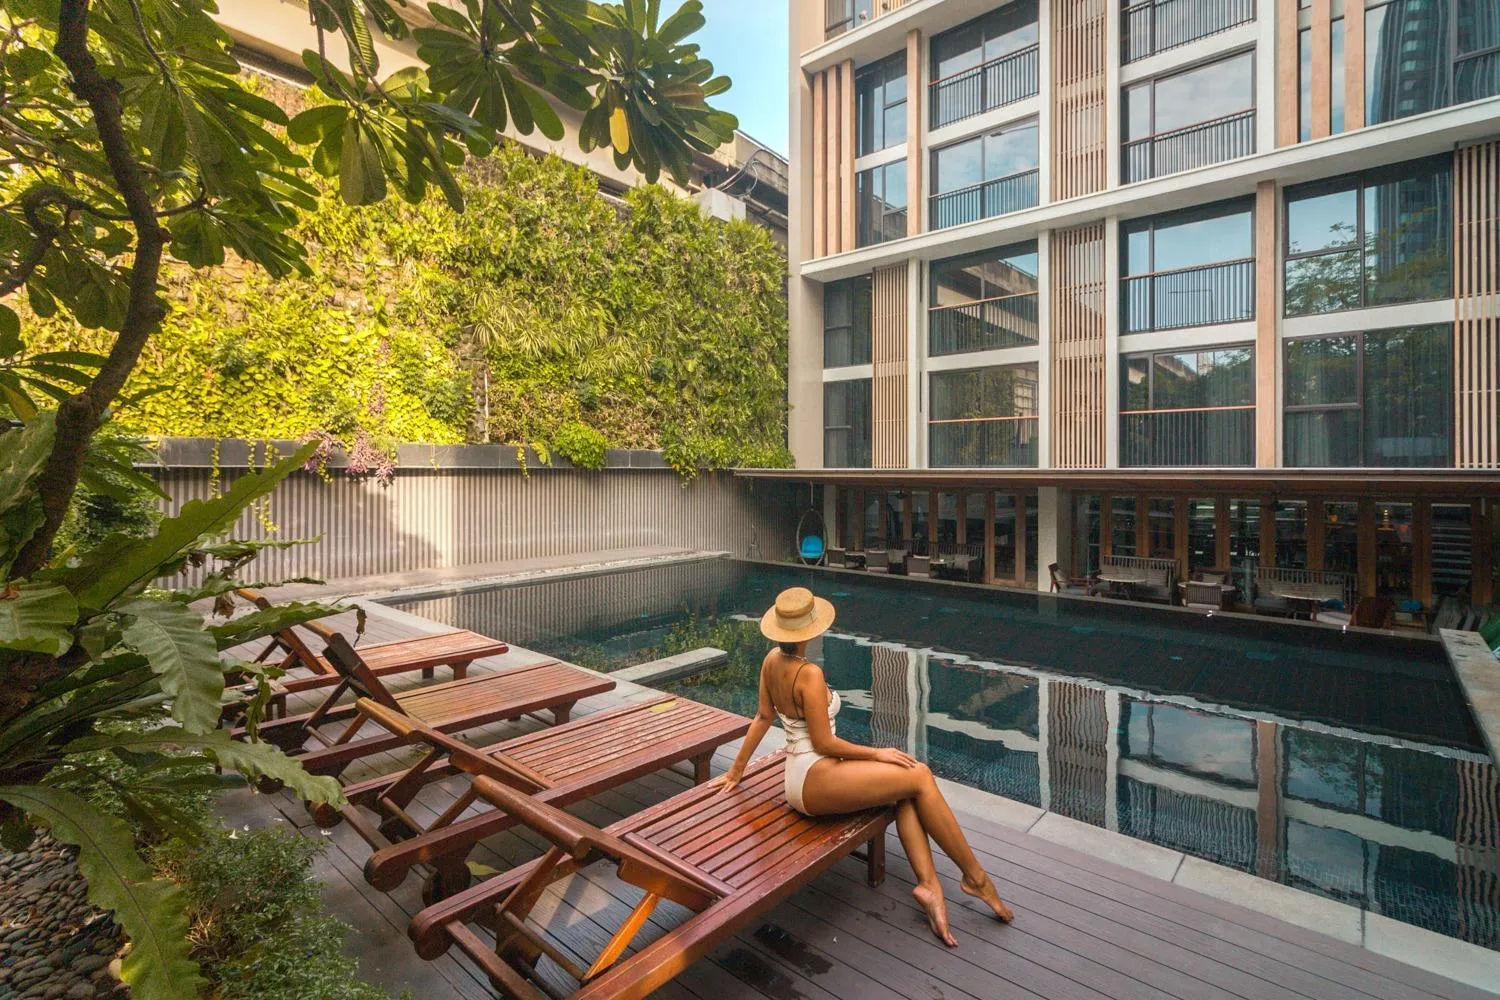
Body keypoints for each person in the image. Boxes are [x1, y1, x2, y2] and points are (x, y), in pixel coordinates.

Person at [720, 586, 1014, 947]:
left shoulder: (770, 661)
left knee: (905, 790)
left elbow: (763, 717)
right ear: (811, 630)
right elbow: (825, 743)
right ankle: (975, 878)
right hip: (816, 777)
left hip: (800, 777)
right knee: (919, 774)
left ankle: (930, 885)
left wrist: (736, 771)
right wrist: (878, 753)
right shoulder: (808, 673)